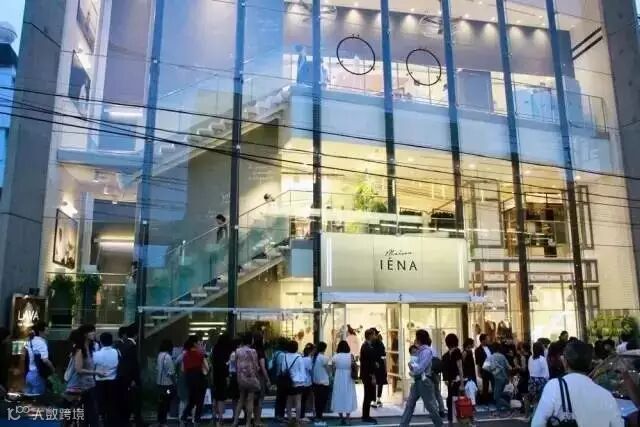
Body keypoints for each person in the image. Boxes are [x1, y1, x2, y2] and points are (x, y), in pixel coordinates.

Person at [531, 340, 624, 427]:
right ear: (590, 364)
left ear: (565, 362)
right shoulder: (606, 396)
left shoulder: (554, 386)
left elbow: (537, 424)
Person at [399, 329, 443, 427]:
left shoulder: (427, 351)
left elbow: (421, 367)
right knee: (410, 404)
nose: (415, 339)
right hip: (417, 380)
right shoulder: (420, 350)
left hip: (424, 381)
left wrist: (413, 368)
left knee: (430, 406)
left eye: (416, 337)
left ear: (419, 339)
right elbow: (417, 366)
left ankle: (439, 424)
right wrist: (413, 367)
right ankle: (403, 424)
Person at [66, 328, 102, 427]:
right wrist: (96, 372)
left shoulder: (90, 348)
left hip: (88, 385)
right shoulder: (80, 350)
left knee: (90, 413)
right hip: (78, 386)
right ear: (85, 334)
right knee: (80, 414)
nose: (94, 333)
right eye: (91, 331)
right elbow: (79, 369)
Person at [115, 324, 144, 427]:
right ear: (136, 334)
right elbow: (131, 365)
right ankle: (135, 421)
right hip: (130, 379)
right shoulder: (131, 346)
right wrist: (133, 379)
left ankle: (127, 420)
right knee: (134, 401)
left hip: (123, 378)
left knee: (126, 400)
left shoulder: (122, 345)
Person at [232, 333, 259, 427]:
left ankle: (235, 422)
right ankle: (248, 423)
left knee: (241, 400)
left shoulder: (237, 351)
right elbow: (255, 366)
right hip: (250, 378)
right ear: (251, 340)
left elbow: (235, 365)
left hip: (241, 378)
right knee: (250, 400)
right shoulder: (253, 351)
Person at [181, 335, 210, 424]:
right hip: (199, 378)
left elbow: (182, 369)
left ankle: (184, 416)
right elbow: (207, 368)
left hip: (189, 378)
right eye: (198, 342)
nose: (199, 344)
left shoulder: (185, 355)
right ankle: (197, 419)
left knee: (192, 400)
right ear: (195, 344)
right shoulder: (200, 354)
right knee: (200, 400)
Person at [93, 332, 119, 426]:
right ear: (112, 341)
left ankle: (103, 422)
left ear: (100, 342)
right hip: (113, 382)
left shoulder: (96, 354)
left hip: (100, 383)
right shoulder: (116, 352)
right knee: (112, 405)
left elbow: (93, 367)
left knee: (101, 404)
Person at [23, 320, 54, 398]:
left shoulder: (30, 341)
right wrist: (53, 368)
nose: (49, 331)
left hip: (29, 374)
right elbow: (45, 360)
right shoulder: (41, 343)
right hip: (38, 375)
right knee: (38, 400)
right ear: (41, 331)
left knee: (28, 400)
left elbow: (24, 355)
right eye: (47, 329)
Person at [331, 340, 358, 426]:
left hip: (338, 377)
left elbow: (332, 368)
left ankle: (341, 418)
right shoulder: (350, 356)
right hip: (348, 377)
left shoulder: (335, 356)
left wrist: (335, 371)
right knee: (348, 396)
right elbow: (354, 366)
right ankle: (348, 418)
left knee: (338, 396)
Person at [442, 333, 464, 424]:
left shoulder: (446, 355)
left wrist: (446, 380)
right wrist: (462, 383)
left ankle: (451, 418)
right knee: (457, 399)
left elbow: (445, 369)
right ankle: (459, 418)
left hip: (450, 381)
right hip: (457, 380)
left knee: (452, 399)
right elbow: (460, 368)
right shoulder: (457, 352)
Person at [282, 339, 306, 425]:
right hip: (298, 382)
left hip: (288, 382)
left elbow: (283, 370)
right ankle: (297, 420)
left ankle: (289, 419)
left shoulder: (285, 356)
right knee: (298, 401)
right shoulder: (299, 357)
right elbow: (302, 371)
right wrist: (303, 381)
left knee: (288, 401)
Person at [211, 333, 232, 427]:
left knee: (215, 397)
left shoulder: (215, 348)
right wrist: (227, 376)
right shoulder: (226, 350)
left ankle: (214, 417)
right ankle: (220, 418)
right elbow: (225, 365)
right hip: (222, 376)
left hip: (215, 376)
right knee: (221, 398)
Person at [360, 328, 378, 424]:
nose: (375, 336)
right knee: (367, 395)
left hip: (367, 374)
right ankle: (365, 416)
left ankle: (366, 415)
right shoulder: (366, 347)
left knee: (369, 395)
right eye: (374, 334)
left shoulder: (367, 346)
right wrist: (373, 375)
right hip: (368, 375)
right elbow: (368, 363)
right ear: (370, 336)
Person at [156, 339, 176, 427]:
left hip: (159, 384)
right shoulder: (167, 357)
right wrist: (174, 383)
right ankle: (163, 422)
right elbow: (171, 372)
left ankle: (160, 421)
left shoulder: (159, 355)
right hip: (167, 385)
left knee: (161, 403)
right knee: (166, 402)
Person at [488, 343, 512, 415]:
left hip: (497, 378)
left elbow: (487, 367)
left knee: (496, 397)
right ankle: (498, 411)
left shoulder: (491, 357)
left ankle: (509, 408)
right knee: (498, 395)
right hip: (504, 378)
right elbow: (509, 367)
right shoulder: (502, 356)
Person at [527, 341, 549, 416]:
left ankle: (532, 415)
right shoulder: (542, 359)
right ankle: (536, 416)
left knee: (534, 400)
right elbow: (546, 373)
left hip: (531, 380)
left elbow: (529, 369)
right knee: (540, 401)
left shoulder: (530, 358)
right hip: (540, 381)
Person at [312, 342, 331, 426]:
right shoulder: (324, 358)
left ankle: (318, 415)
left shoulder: (314, 357)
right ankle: (319, 416)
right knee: (323, 400)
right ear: (324, 349)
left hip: (315, 382)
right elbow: (328, 370)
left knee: (317, 400)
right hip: (323, 382)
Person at [272, 338, 289, 422]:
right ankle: (280, 415)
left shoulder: (276, 353)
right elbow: (282, 367)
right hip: (282, 377)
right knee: (282, 397)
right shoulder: (282, 354)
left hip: (278, 377)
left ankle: (278, 414)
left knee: (279, 397)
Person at [474, 333, 493, 404]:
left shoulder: (490, 347)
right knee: (485, 385)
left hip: (492, 368)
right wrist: (478, 372)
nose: (488, 340)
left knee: (494, 384)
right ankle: (485, 401)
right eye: (487, 339)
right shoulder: (478, 350)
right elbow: (478, 362)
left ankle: (494, 399)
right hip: (484, 369)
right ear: (483, 340)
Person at [371, 329, 387, 409]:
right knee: (380, 382)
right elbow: (384, 355)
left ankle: (374, 400)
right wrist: (385, 367)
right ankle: (378, 399)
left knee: (373, 382)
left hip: (373, 364)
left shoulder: (371, 343)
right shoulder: (381, 343)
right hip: (380, 364)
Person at [300, 343, 315, 421]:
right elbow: (310, 370)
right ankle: (302, 416)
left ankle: (301, 415)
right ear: (310, 352)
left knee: (301, 399)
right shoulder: (309, 359)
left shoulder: (301, 359)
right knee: (304, 399)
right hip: (307, 382)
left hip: (301, 382)